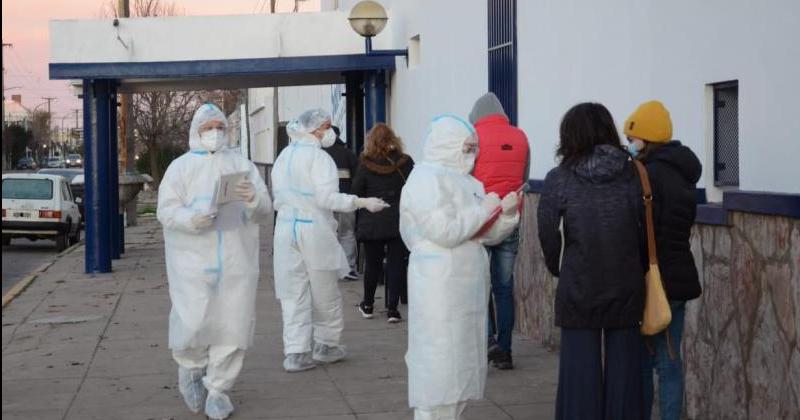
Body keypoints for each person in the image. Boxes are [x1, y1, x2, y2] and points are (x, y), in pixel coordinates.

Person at [400, 114, 520, 420]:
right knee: (438, 363)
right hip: (438, 283)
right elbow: (445, 230)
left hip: (468, 285)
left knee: (461, 366)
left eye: (473, 148)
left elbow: (484, 233)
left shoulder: (470, 182)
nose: (471, 154)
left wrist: (505, 215)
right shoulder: (425, 179)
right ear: (446, 145)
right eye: (465, 147)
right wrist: (485, 209)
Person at [157, 103, 272, 420]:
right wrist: (191, 219)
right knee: (192, 320)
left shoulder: (241, 165)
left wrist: (253, 200)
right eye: (208, 127)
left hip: (236, 262)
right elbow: (165, 211)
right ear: (196, 131)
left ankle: (219, 389)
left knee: (232, 326)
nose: (215, 133)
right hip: (192, 264)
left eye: (219, 127)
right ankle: (190, 369)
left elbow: (264, 211)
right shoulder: (180, 168)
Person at [537, 102, 646, 420]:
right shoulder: (633, 173)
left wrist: (556, 264)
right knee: (625, 373)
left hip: (579, 282)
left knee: (578, 373)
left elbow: (546, 229)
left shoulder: (560, 177)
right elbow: (644, 226)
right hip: (625, 281)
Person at [271, 109, 389, 373]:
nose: (330, 131)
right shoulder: (319, 159)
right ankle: (326, 345)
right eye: (326, 126)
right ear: (314, 130)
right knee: (324, 291)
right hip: (313, 228)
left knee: (293, 293)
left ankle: (296, 351)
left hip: (285, 229)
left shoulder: (284, 156)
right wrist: (360, 202)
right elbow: (327, 199)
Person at [624, 100, 702, 420]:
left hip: (653, 280)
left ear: (644, 139)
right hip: (679, 279)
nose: (629, 144)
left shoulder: (644, 175)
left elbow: (639, 229)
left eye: (632, 137)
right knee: (671, 361)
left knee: (647, 363)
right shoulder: (685, 173)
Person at [468, 92, 530, 370]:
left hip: (481, 221)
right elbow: (525, 178)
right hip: (509, 218)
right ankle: (505, 351)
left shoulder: (473, 138)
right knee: (504, 287)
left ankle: (488, 340)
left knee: (480, 285)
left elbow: (464, 178)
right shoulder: (521, 137)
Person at [351, 123, 414, 323]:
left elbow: (356, 191)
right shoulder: (406, 162)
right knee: (396, 265)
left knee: (373, 264)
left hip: (373, 220)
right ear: (393, 139)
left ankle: (368, 304)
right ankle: (393, 310)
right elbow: (413, 187)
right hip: (398, 219)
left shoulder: (364, 163)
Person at [322, 126, 360, 280]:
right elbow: (357, 177)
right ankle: (349, 268)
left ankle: (329, 268)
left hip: (326, 202)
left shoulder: (320, 154)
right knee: (347, 233)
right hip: (346, 201)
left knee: (327, 233)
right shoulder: (348, 154)